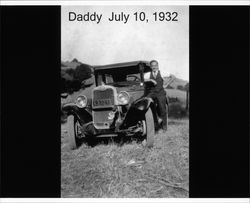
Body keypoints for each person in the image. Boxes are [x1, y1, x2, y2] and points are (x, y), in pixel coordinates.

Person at [144, 60, 167, 131]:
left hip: (160, 92)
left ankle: (164, 127)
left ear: (157, 66)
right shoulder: (148, 74)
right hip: (152, 92)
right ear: (150, 67)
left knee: (162, 108)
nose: (154, 67)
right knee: (145, 102)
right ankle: (156, 120)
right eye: (152, 66)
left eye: (155, 65)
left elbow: (173, 76)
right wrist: (150, 80)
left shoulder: (162, 73)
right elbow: (143, 80)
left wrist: (166, 84)